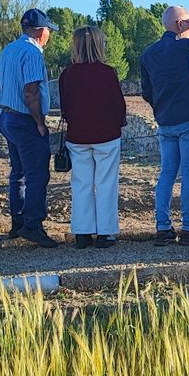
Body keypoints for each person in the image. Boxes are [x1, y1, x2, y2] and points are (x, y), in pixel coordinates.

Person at [140, 6, 189, 246]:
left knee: (167, 173)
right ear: (180, 26)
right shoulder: (187, 48)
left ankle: (162, 227)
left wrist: (160, 108)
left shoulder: (148, 54)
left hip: (164, 120)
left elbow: (146, 92)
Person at [58, 26, 126, 249]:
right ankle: (105, 233)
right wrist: (119, 123)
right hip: (106, 134)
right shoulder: (107, 72)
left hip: (77, 135)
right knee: (106, 183)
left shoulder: (67, 74)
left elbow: (65, 106)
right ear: (99, 45)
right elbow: (118, 105)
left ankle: (82, 231)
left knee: (81, 183)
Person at [0, 8, 59, 248]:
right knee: (37, 174)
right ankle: (33, 224)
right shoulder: (33, 53)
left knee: (18, 173)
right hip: (25, 119)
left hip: (7, 116)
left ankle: (18, 220)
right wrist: (40, 123)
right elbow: (31, 91)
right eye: (48, 31)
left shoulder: (9, 50)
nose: (49, 36)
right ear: (41, 32)